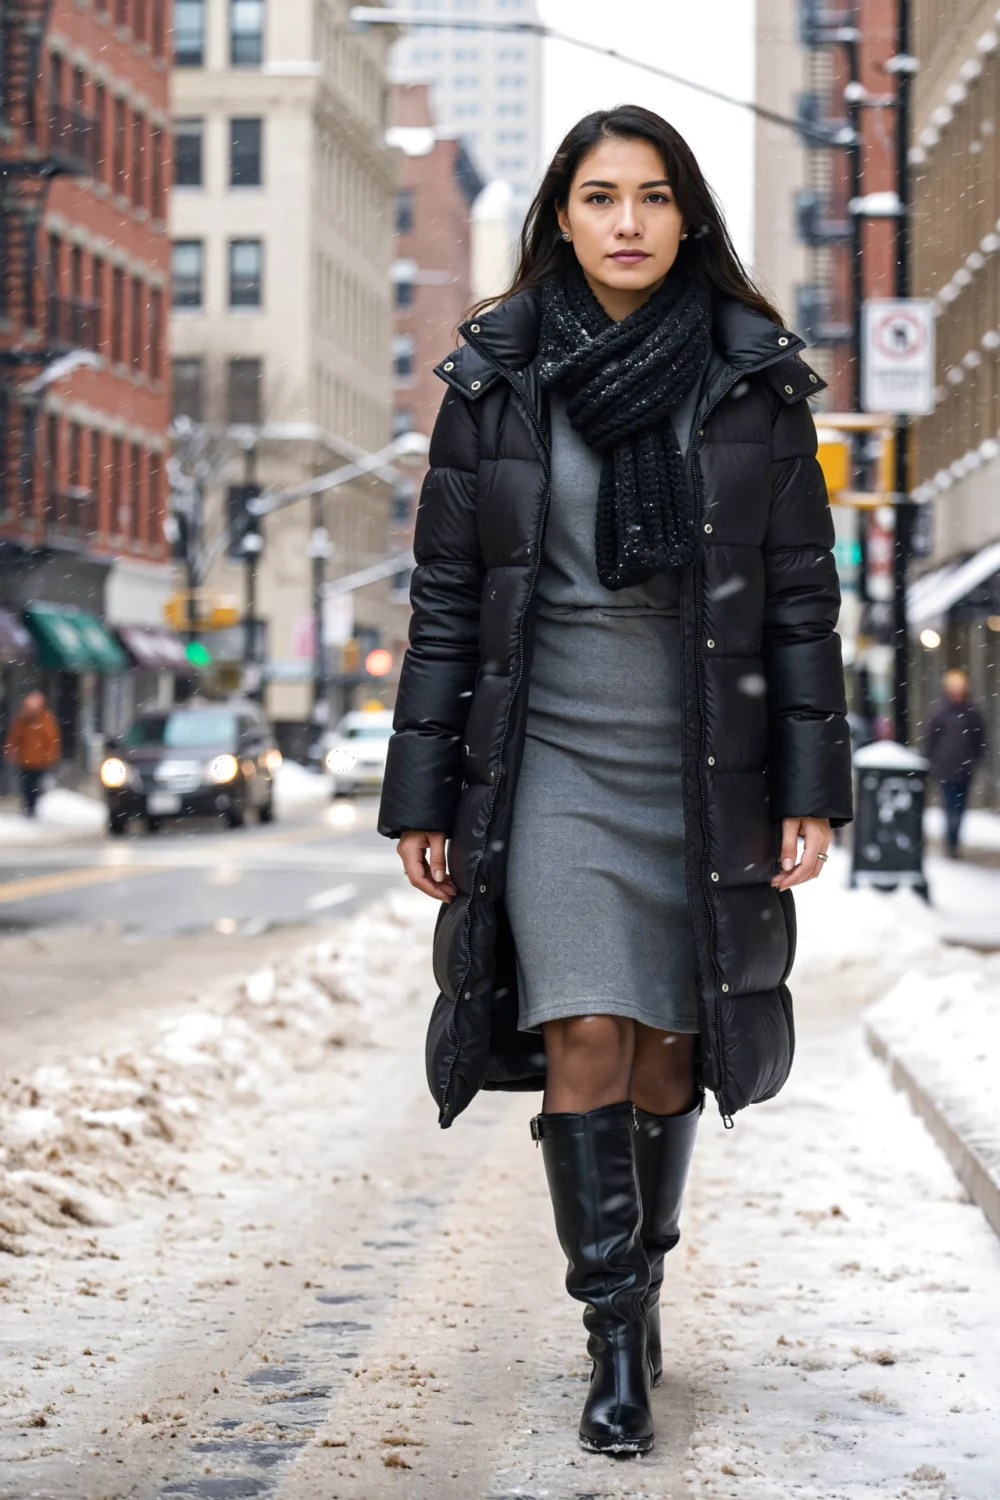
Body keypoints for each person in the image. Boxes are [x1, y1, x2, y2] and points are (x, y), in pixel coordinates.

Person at [378, 106, 852, 1456]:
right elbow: (449, 601)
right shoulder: (496, 380)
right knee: (588, 1029)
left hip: (702, 762)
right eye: (599, 197)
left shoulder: (752, 380)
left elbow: (798, 602)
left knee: (669, 1050)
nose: (627, 222)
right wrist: (422, 794)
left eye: (651, 196)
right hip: (551, 765)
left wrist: (809, 783)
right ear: (563, 217)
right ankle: (613, 1337)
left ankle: (641, 1289)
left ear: (687, 215)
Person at [926, 668, 987, 857]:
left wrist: (976, 759)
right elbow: (931, 740)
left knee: (959, 807)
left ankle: (953, 839)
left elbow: (979, 739)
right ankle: (951, 840)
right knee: (950, 806)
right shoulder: (940, 712)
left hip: (965, 769)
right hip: (945, 768)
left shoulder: (972, 712)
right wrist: (931, 761)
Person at [3, 690, 62, 817]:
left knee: (33, 785)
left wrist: (50, 755)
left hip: (39, 761)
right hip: (26, 760)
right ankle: (29, 807)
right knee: (27, 786)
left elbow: (51, 739)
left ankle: (32, 806)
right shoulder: (22, 719)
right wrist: (12, 750)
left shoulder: (45, 719)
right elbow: (15, 737)